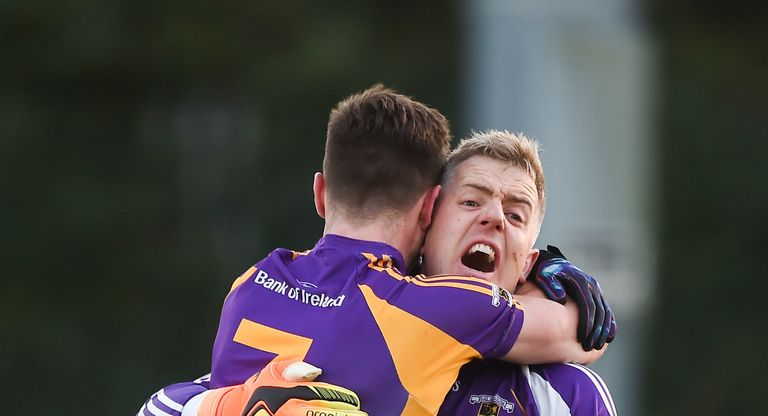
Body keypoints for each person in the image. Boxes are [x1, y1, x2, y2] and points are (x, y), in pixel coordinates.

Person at [137, 87, 610, 416]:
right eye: (470, 201)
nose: (492, 218)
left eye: (517, 215)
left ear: (321, 195)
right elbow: (587, 332)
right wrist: (573, 297)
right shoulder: (421, 313)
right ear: (430, 217)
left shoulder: (253, 283)